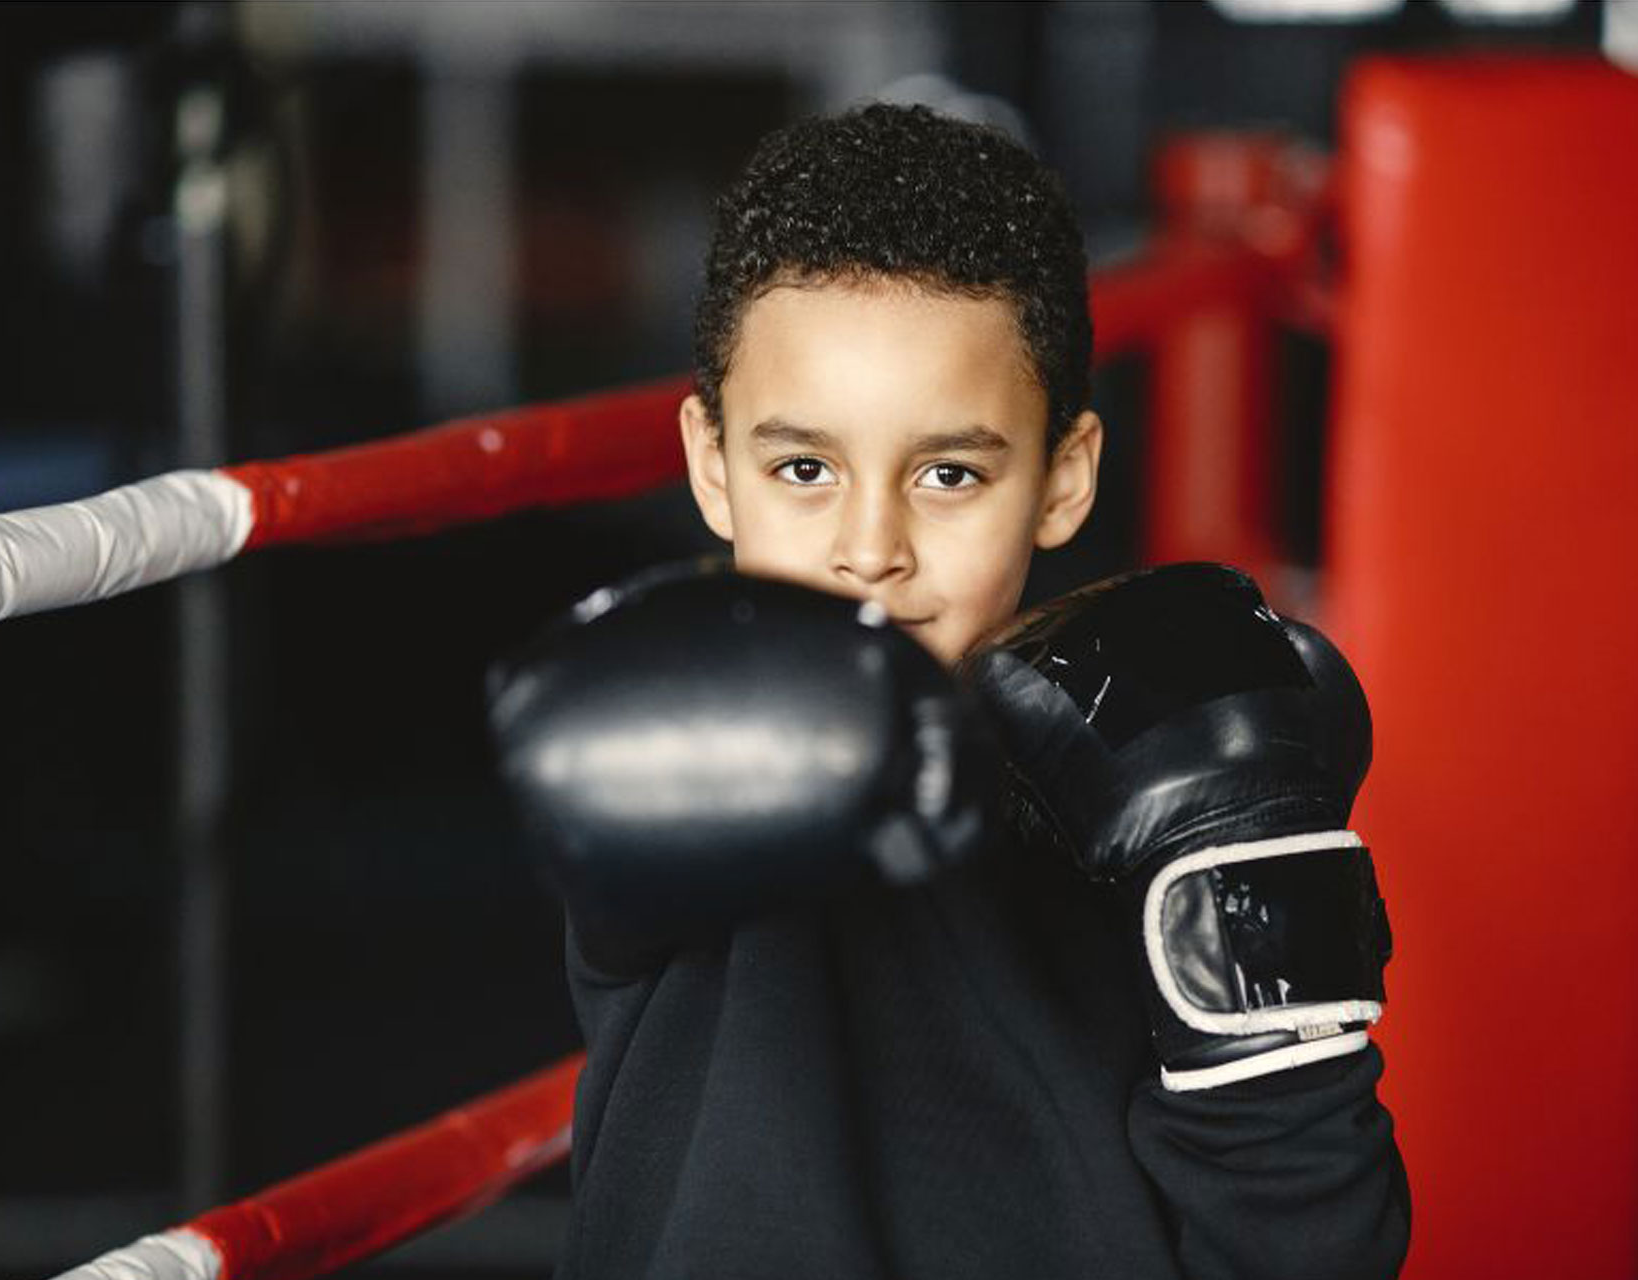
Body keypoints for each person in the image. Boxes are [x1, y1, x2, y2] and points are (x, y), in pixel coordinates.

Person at [489, 103, 1409, 1278]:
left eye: (949, 472)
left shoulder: (1148, 788)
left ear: (1064, 478)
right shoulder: (682, 758)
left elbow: (1316, 1250)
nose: (871, 547)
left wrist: (1241, 869)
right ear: (712, 468)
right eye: (804, 468)